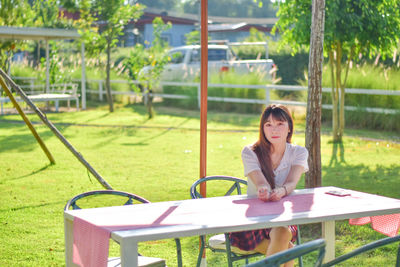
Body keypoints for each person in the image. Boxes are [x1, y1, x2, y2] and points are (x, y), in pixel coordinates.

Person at [229, 104, 309, 267]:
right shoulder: (250, 151)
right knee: (286, 246)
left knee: (282, 233)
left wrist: (282, 191)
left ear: (289, 128)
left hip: (283, 217)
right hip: (252, 220)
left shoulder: (299, 152)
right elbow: (259, 180)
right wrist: (264, 189)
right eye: (269, 125)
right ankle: (288, 248)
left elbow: (292, 182)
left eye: (280, 124)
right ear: (263, 129)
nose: (274, 130)